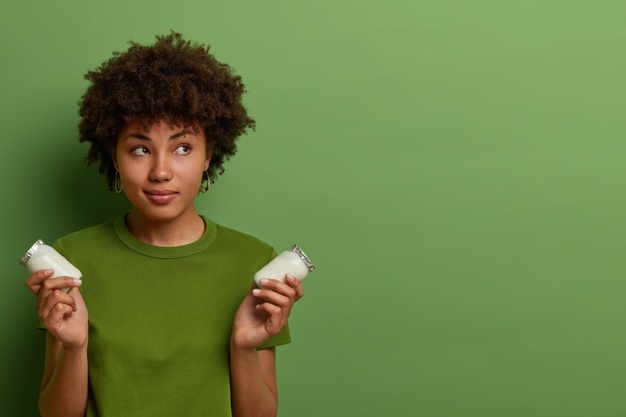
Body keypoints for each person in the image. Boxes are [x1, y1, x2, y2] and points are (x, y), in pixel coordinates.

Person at [24, 32, 304, 417]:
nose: (160, 171)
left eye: (183, 148)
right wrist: (75, 346)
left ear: (209, 155)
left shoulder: (255, 263)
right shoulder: (71, 260)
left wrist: (242, 346)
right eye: (140, 149)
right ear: (115, 157)